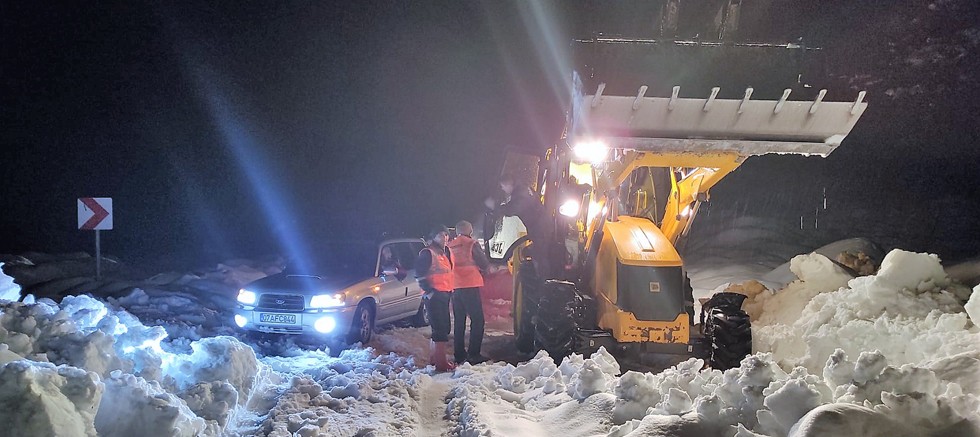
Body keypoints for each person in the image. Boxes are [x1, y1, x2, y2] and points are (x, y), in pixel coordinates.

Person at [486, 176, 556, 279]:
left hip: (539, 229)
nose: (502, 189)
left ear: (508, 185)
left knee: (540, 255)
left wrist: (495, 207)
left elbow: (513, 209)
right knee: (536, 252)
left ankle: (544, 281)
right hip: (541, 227)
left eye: (502, 186)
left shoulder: (521, 194)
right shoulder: (525, 189)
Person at [447, 220, 491, 365]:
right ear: (470, 231)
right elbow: (483, 263)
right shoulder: (471, 243)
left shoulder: (450, 245)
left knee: (459, 321)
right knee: (477, 320)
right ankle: (474, 354)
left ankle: (459, 354)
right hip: (470, 285)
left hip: (455, 287)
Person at [415, 225, 455, 372]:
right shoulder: (428, 253)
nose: (444, 237)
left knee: (442, 327)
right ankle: (441, 363)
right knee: (440, 329)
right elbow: (419, 274)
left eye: (446, 234)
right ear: (433, 237)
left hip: (445, 293)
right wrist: (430, 292)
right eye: (440, 235)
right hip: (434, 295)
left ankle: (434, 358)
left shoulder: (445, 252)